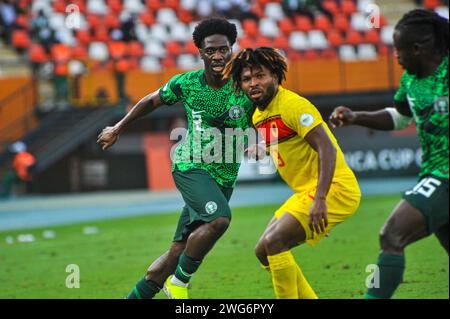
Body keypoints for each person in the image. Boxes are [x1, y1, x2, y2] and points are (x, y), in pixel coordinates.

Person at [97, 18, 254, 299]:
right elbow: (150, 101)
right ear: (201, 52)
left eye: (223, 49)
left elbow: (260, 115)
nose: (217, 56)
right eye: (210, 51)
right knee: (219, 220)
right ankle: (178, 285)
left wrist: (259, 140)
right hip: (191, 166)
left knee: (176, 253)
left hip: (225, 176)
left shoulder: (243, 84)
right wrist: (117, 127)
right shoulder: (187, 83)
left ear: (232, 50)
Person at [329, 9, 448, 299]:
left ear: (417, 49)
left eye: (399, 49)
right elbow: (401, 117)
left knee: (391, 234)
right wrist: (356, 116)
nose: (395, 56)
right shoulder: (410, 81)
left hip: (445, 177)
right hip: (433, 172)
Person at [223, 47, 361, 298]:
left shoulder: (293, 105)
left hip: (334, 189)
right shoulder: (258, 115)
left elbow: (327, 149)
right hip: (305, 192)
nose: (253, 83)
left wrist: (320, 199)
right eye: (246, 79)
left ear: (275, 76)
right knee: (262, 251)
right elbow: (286, 140)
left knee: (275, 242)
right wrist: (264, 147)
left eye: (260, 76)